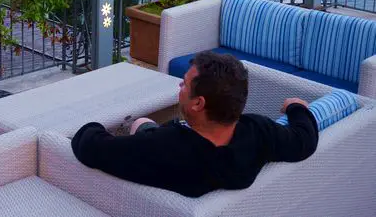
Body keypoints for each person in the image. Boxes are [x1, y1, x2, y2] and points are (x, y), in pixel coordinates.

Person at [71, 51, 319, 197]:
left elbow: (89, 146)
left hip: (167, 165)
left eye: (184, 84)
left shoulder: (161, 147)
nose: (179, 87)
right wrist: (295, 106)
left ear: (199, 103)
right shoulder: (259, 132)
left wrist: (93, 124)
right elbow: (304, 140)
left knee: (141, 123)